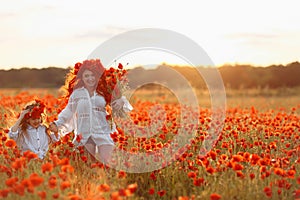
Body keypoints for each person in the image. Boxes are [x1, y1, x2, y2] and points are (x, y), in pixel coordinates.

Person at [49, 59, 132, 164]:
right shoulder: (77, 94)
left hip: (103, 131)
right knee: (88, 164)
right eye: (86, 76)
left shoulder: (104, 91)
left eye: (92, 75)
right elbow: (68, 111)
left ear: (97, 76)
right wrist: (57, 124)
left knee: (108, 163)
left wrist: (121, 101)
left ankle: (106, 180)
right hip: (85, 133)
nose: (90, 78)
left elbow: (119, 104)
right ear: (82, 78)